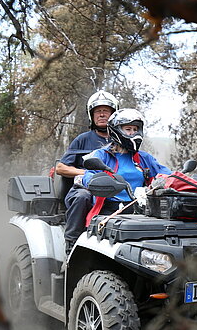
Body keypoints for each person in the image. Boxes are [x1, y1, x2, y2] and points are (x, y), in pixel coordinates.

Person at [65, 108, 170, 248]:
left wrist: (174, 180)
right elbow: (89, 174)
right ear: (115, 130)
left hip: (140, 212)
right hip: (108, 211)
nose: (133, 133)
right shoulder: (102, 155)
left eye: (135, 129)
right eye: (128, 129)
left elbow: (167, 174)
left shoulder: (143, 158)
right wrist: (93, 181)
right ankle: (71, 245)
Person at [57, 90, 119, 249]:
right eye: (98, 111)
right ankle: (71, 245)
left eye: (106, 110)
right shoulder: (83, 139)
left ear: (114, 114)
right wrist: (87, 173)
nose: (102, 114)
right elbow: (60, 168)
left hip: (114, 188)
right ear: (91, 116)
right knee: (82, 197)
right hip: (84, 187)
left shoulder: (122, 140)